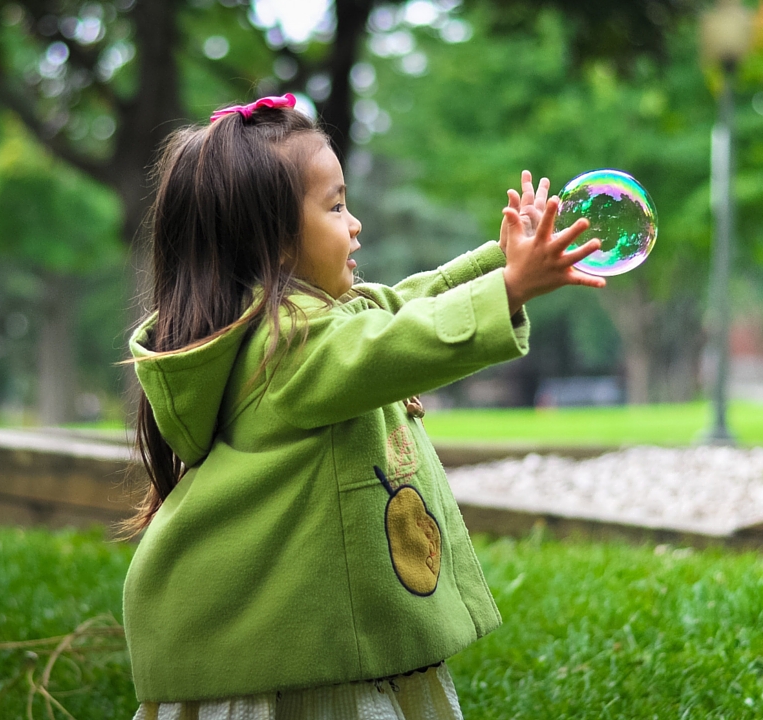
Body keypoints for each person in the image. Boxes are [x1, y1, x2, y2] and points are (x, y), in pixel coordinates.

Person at [117, 93, 604, 720]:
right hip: (301, 664)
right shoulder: (286, 347)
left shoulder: (303, 324)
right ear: (278, 243)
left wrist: (498, 265)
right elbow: (398, 341)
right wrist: (508, 287)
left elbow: (397, 306)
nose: (356, 224)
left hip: (311, 641)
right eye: (337, 205)